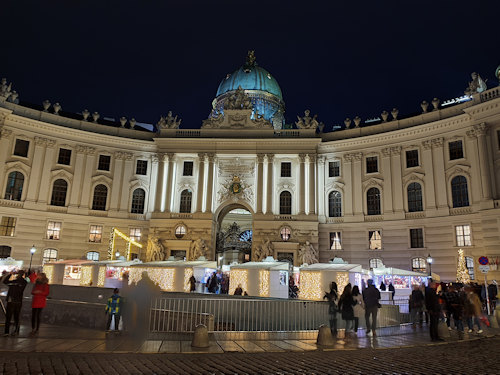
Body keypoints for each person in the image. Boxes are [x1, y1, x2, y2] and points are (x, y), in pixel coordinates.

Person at [3, 270, 27, 336]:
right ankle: (16, 330)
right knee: (16, 316)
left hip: (11, 300)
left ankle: (6, 332)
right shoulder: (24, 282)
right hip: (18, 301)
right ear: (23, 275)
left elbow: (5, 281)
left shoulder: (13, 281)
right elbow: (25, 281)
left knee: (8, 317)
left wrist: (10, 274)